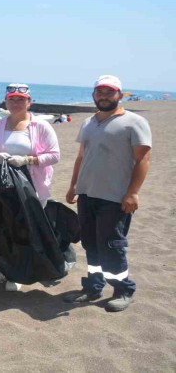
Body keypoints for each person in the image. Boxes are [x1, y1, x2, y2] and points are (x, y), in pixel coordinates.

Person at [64, 75, 151, 312]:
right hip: (87, 194)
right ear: (93, 95)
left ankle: (124, 290)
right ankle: (94, 286)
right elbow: (81, 157)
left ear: (119, 95)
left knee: (112, 245)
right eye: (99, 92)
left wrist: (133, 193)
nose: (104, 96)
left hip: (115, 197)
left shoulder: (134, 122)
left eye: (109, 92)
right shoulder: (89, 123)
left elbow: (143, 159)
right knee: (91, 243)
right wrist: (74, 185)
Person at [0, 83, 60, 291]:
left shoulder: (40, 126)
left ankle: (18, 272)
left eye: (21, 99)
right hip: (3, 188)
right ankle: (0, 268)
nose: (16, 103)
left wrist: (28, 160)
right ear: (6, 102)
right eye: (12, 99)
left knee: (25, 229)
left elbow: (54, 155)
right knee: (0, 227)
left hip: (32, 188)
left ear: (29, 102)